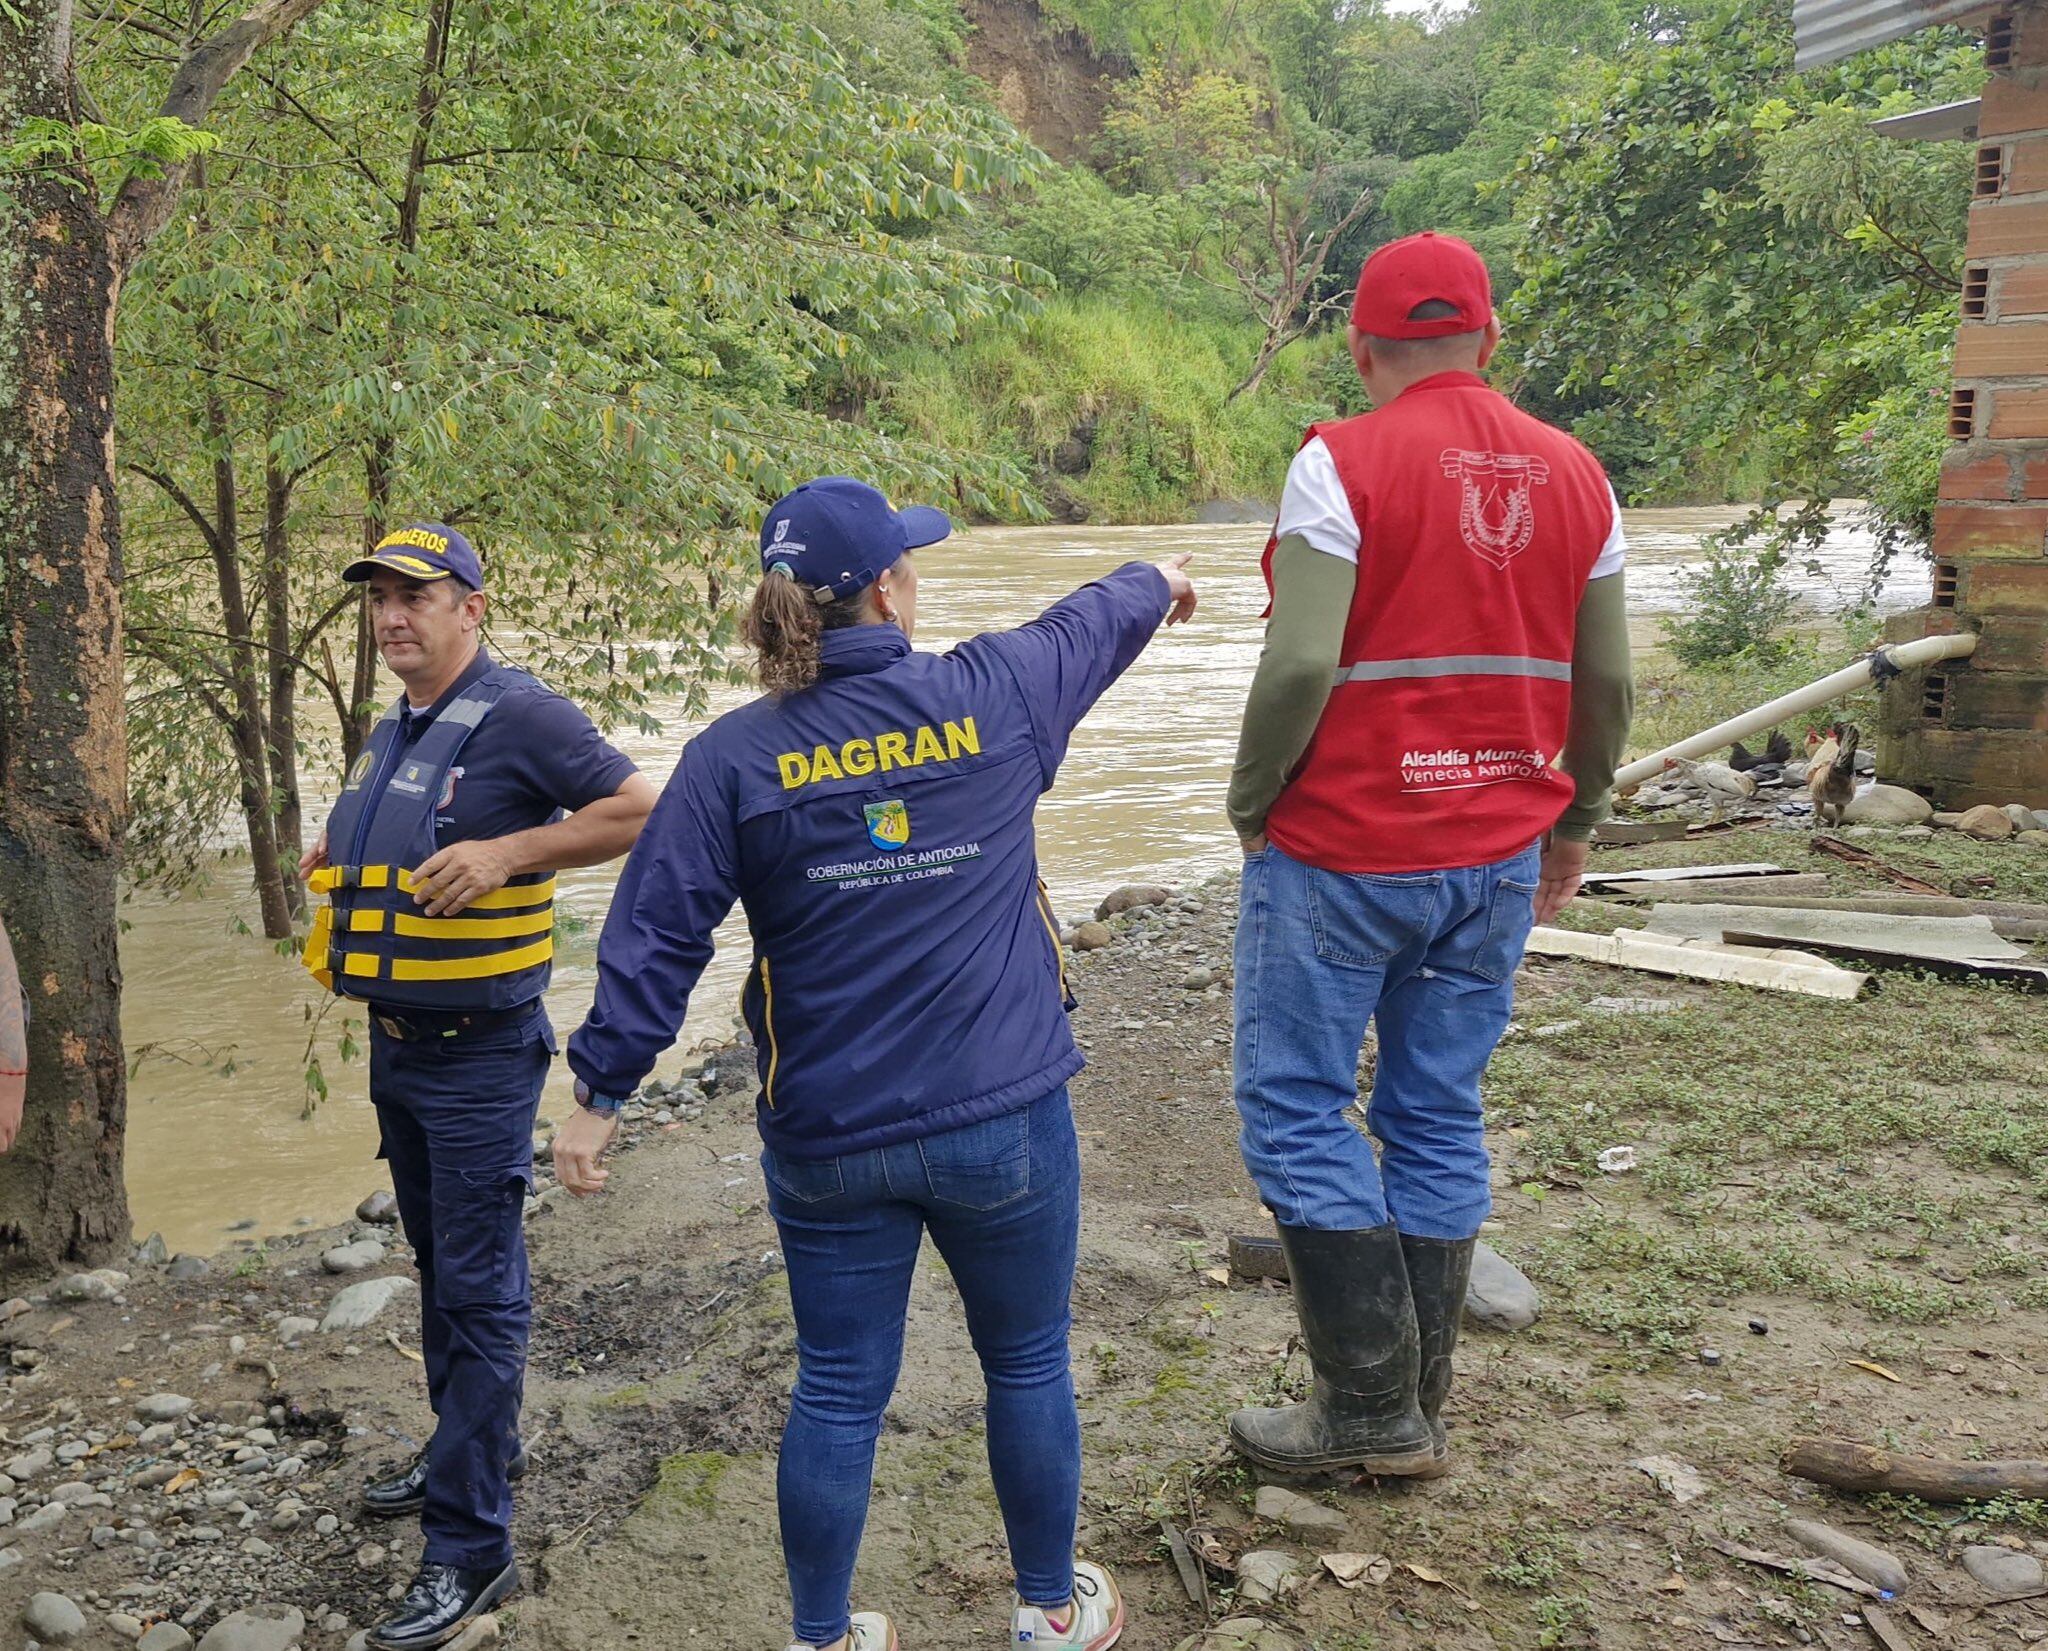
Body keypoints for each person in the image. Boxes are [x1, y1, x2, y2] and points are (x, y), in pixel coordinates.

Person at [557, 477, 1196, 1651]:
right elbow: (1090, 618)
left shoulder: (730, 758)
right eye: (909, 564)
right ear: (892, 591)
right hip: (1001, 1116)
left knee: (839, 1387)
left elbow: (654, 934)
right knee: (1025, 1359)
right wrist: (1161, 582)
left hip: (830, 1136)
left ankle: (821, 1635)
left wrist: (598, 1094)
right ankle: (1050, 1610)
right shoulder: (994, 694)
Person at [1224, 232, 1633, 1477]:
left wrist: (1252, 799)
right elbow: (1604, 682)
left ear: (1360, 349)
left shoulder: (1336, 460)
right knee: (1434, 1104)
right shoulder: (1578, 474)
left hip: (1342, 846)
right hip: (1498, 848)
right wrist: (1574, 820)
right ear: (1489, 341)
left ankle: (1365, 1411)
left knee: (1298, 1101)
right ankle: (1419, 1402)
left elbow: (1298, 662)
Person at [299, 523, 655, 1650]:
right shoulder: (392, 727)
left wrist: (510, 854)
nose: (394, 616)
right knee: (437, 1266)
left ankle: (470, 1549)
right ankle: (462, 1444)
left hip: (479, 1053)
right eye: (380, 600)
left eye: (418, 596)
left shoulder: (525, 713)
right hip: (399, 1045)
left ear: (472, 607)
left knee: (480, 1285)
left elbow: (643, 808)